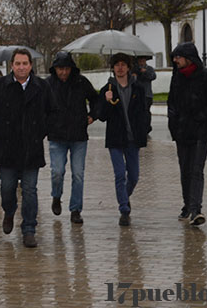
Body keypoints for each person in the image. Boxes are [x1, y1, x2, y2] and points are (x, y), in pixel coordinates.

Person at [0, 48, 54, 248]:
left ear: (31, 65)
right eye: (17, 64)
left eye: (25, 63)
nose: (21, 67)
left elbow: (52, 111)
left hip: (32, 148)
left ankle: (29, 229)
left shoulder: (42, 86)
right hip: (7, 148)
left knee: (30, 190)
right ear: (11, 66)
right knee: (7, 188)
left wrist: (41, 130)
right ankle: (9, 211)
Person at [168, 42, 207, 226]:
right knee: (185, 170)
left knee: (197, 170)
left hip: (200, 131)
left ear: (188, 57)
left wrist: (200, 116)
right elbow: (171, 103)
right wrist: (173, 125)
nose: (175, 60)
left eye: (178, 57)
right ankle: (187, 206)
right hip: (182, 131)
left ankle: (196, 209)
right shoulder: (176, 77)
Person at [45, 51, 98, 225]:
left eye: (66, 68)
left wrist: (92, 115)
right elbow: (39, 106)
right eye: (60, 69)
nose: (63, 72)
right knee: (57, 172)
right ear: (55, 69)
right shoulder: (48, 84)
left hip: (78, 136)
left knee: (78, 174)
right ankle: (56, 195)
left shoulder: (81, 82)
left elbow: (95, 100)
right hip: (56, 136)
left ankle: (76, 209)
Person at [97, 53, 148, 227]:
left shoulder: (138, 88)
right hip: (116, 139)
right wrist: (106, 101)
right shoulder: (108, 89)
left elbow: (143, 112)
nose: (120, 68)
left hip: (133, 139)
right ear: (113, 68)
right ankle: (124, 209)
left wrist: (144, 131)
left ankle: (124, 197)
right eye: (117, 65)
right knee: (120, 174)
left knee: (133, 176)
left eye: (123, 65)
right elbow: (102, 116)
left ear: (128, 67)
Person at [132, 56, 157, 134]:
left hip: (147, 94)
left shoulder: (149, 69)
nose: (141, 62)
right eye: (140, 60)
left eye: (143, 60)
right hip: (137, 94)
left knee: (146, 112)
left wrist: (144, 72)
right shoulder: (135, 69)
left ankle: (147, 127)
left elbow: (153, 76)